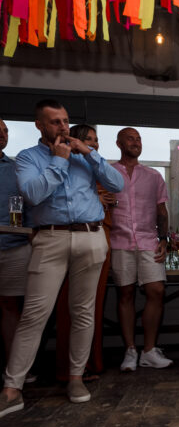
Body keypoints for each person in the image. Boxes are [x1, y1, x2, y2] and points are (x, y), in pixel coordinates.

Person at [1, 100, 123, 419]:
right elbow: (32, 195)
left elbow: (117, 184)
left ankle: (76, 379)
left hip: (91, 237)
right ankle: (12, 388)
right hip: (50, 237)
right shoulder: (27, 158)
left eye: (66, 121)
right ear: (39, 125)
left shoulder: (85, 155)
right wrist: (58, 161)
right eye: (54, 122)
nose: (63, 127)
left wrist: (90, 153)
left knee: (83, 312)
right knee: (34, 314)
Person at [109, 127, 172, 372]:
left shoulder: (154, 175)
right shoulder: (108, 173)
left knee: (156, 291)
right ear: (118, 143)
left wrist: (164, 239)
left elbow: (162, 211)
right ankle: (130, 351)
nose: (135, 142)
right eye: (130, 138)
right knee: (125, 294)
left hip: (149, 241)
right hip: (119, 241)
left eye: (138, 139)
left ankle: (148, 350)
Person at [53, 124, 112, 383]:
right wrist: (95, 198)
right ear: (74, 141)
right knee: (70, 306)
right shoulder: (65, 166)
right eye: (89, 139)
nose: (95, 144)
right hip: (69, 238)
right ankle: (69, 367)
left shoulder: (97, 166)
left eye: (97, 140)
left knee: (92, 307)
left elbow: (115, 188)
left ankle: (92, 361)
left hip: (99, 236)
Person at [0, 117, 32, 383]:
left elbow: (28, 207)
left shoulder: (15, 168)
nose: (3, 134)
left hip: (14, 246)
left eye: (5, 130)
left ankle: (15, 370)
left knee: (13, 307)